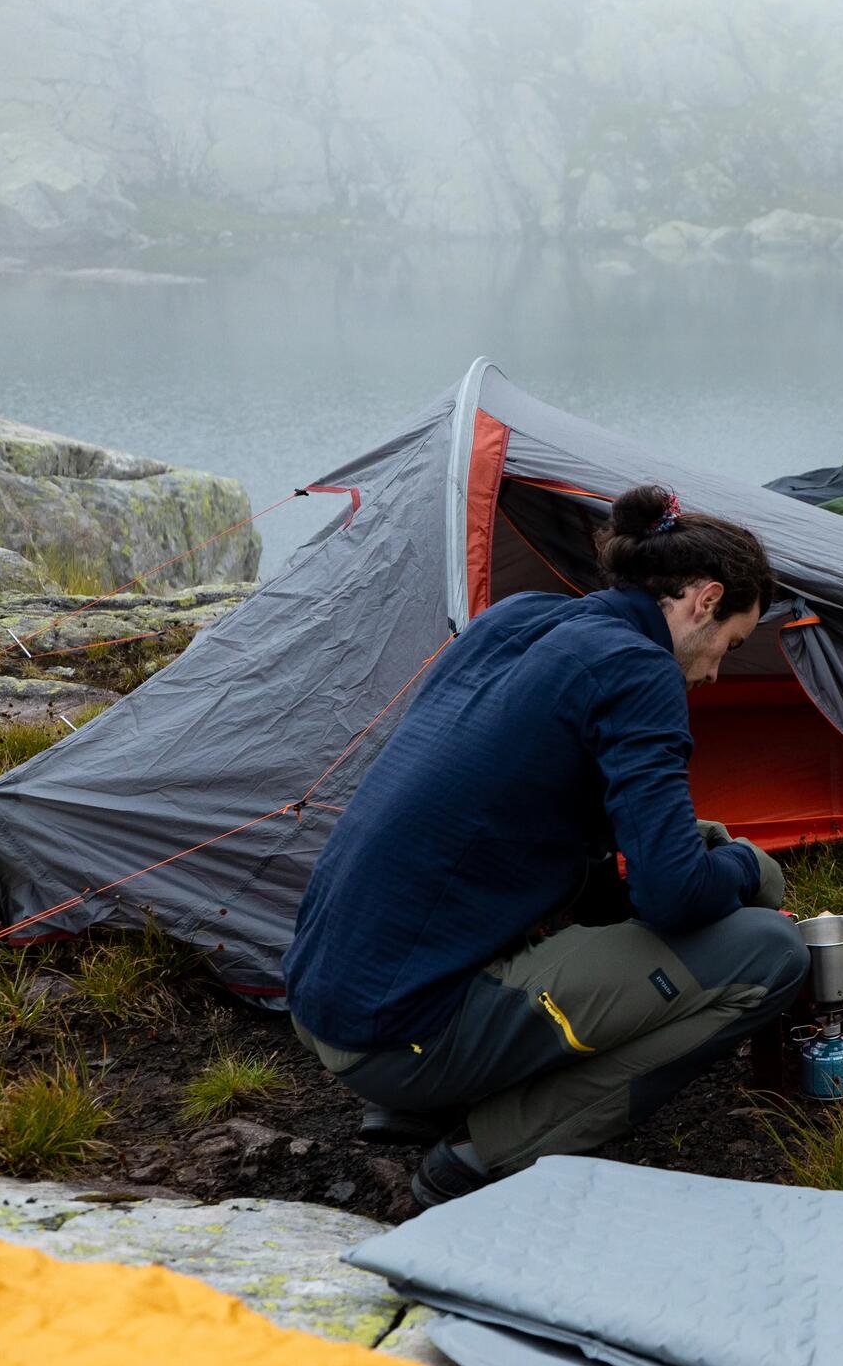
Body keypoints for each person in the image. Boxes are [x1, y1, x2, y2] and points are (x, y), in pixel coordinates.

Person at [282, 484, 808, 1208]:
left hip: (326, 997)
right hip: (398, 1034)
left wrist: (694, 850)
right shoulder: (642, 670)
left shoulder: (521, 619)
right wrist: (750, 867)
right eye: (730, 644)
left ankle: (418, 1099)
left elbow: (559, 822)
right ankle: (479, 1152)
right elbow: (670, 892)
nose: (716, 670)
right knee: (768, 950)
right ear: (704, 599)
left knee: (663, 868)